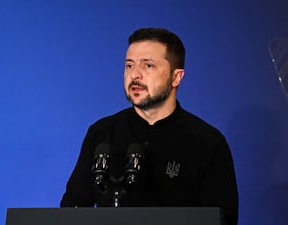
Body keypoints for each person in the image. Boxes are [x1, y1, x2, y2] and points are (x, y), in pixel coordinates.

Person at [60, 27, 238, 225]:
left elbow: (222, 219)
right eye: (129, 66)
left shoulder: (207, 142)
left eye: (148, 66)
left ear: (176, 77)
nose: (135, 75)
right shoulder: (102, 133)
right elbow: (72, 209)